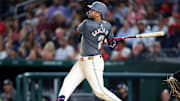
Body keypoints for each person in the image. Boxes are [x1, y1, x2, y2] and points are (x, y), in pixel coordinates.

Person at [56, 1, 121, 101]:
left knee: (99, 91)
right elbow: (112, 43)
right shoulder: (107, 26)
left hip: (93, 62)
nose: (89, 11)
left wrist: (106, 40)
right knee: (69, 81)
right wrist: (109, 40)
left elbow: (80, 29)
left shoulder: (87, 23)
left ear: (99, 13)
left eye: (92, 10)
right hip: (83, 61)